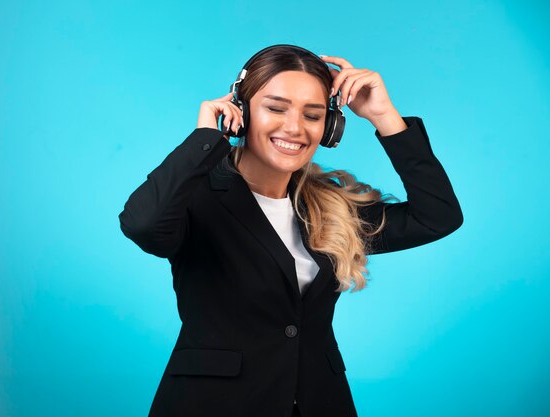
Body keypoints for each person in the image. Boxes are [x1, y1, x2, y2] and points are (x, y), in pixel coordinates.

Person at [118, 44, 463, 417]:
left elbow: (438, 215)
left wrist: (384, 117)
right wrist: (205, 138)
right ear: (243, 111)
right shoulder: (195, 198)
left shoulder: (329, 210)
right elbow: (142, 224)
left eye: (313, 115)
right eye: (275, 108)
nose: (295, 128)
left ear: (329, 128)